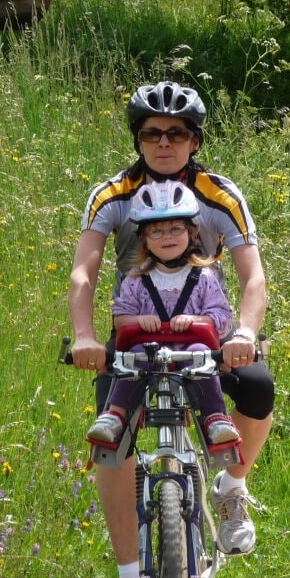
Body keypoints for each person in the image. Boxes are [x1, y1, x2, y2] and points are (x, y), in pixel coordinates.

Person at [67, 81, 275, 578]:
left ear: (194, 139)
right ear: (138, 139)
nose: (165, 142)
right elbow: (84, 272)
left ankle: (232, 490)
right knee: (114, 448)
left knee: (257, 387)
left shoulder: (219, 192)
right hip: (135, 334)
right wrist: (85, 335)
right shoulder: (112, 193)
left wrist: (246, 331)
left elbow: (252, 276)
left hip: (207, 333)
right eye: (152, 133)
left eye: (176, 133)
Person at [86, 180, 241, 448]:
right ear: (143, 239)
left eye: (175, 229)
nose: (167, 237)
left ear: (192, 232)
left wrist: (198, 321)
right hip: (149, 351)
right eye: (156, 232)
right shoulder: (136, 278)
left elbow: (222, 315)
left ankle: (216, 418)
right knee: (133, 359)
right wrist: (136, 321)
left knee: (201, 359)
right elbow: (120, 316)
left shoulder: (204, 276)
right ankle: (115, 416)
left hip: (190, 351)